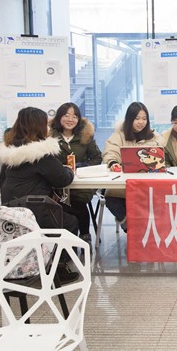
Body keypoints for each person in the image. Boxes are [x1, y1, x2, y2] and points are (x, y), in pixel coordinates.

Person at [0, 107, 79, 235]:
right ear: (38, 127)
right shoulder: (40, 154)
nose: (48, 128)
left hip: (10, 211)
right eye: (46, 124)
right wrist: (69, 169)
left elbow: (2, 179)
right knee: (72, 221)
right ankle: (59, 249)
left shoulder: (9, 152)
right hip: (34, 211)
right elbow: (63, 179)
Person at [102, 102, 164, 231]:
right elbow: (111, 152)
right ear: (130, 119)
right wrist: (113, 163)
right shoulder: (119, 135)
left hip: (146, 185)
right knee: (111, 199)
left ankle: (140, 230)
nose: (141, 122)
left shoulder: (155, 137)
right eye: (137, 118)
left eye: (144, 118)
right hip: (122, 185)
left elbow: (160, 155)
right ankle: (132, 229)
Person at [50, 102, 102, 247]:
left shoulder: (85, 136)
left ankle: (84, 235)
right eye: (66, 115)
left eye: (74, 117)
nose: (70, 119)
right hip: (57, 181)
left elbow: (97, 158)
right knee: (58, 201)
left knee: (78, 200)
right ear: (59, 117)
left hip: (81, 181)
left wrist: (81, 169)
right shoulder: (50, 136)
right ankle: (64, 237)